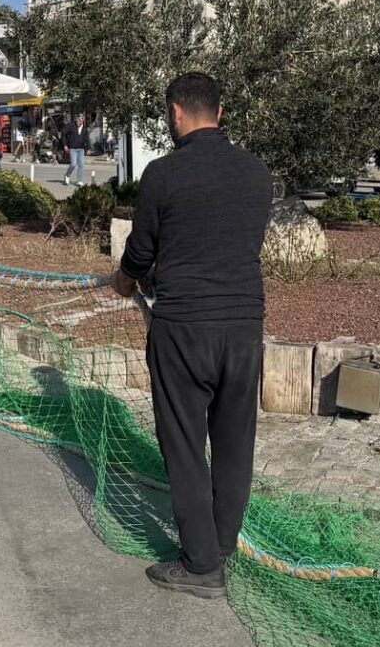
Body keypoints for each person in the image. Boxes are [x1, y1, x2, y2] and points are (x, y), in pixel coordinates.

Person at [111, 73, 273, 599]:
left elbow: (141, 251)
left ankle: (202, 565)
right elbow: (234, 241)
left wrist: (125, 280)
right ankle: (222, 544)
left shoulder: (163, 173)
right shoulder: (256, 172)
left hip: (184, 326)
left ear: (176, 113)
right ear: (220, 112)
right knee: (234, 442)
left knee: (183, 444)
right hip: (244, 324)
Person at [63, 112, 90, 186]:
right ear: (76, 119)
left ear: (83, 120)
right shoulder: (71, 126)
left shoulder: (85, 129)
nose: (80, 121)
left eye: (81, 120)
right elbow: (63, 133)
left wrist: (89, 148)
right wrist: (65, 145)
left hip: (81, 149)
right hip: (73, 148)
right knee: (73, 164)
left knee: (81, 165)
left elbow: (87, 139)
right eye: (79, 119)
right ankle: (67, 175)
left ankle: (80, 180)